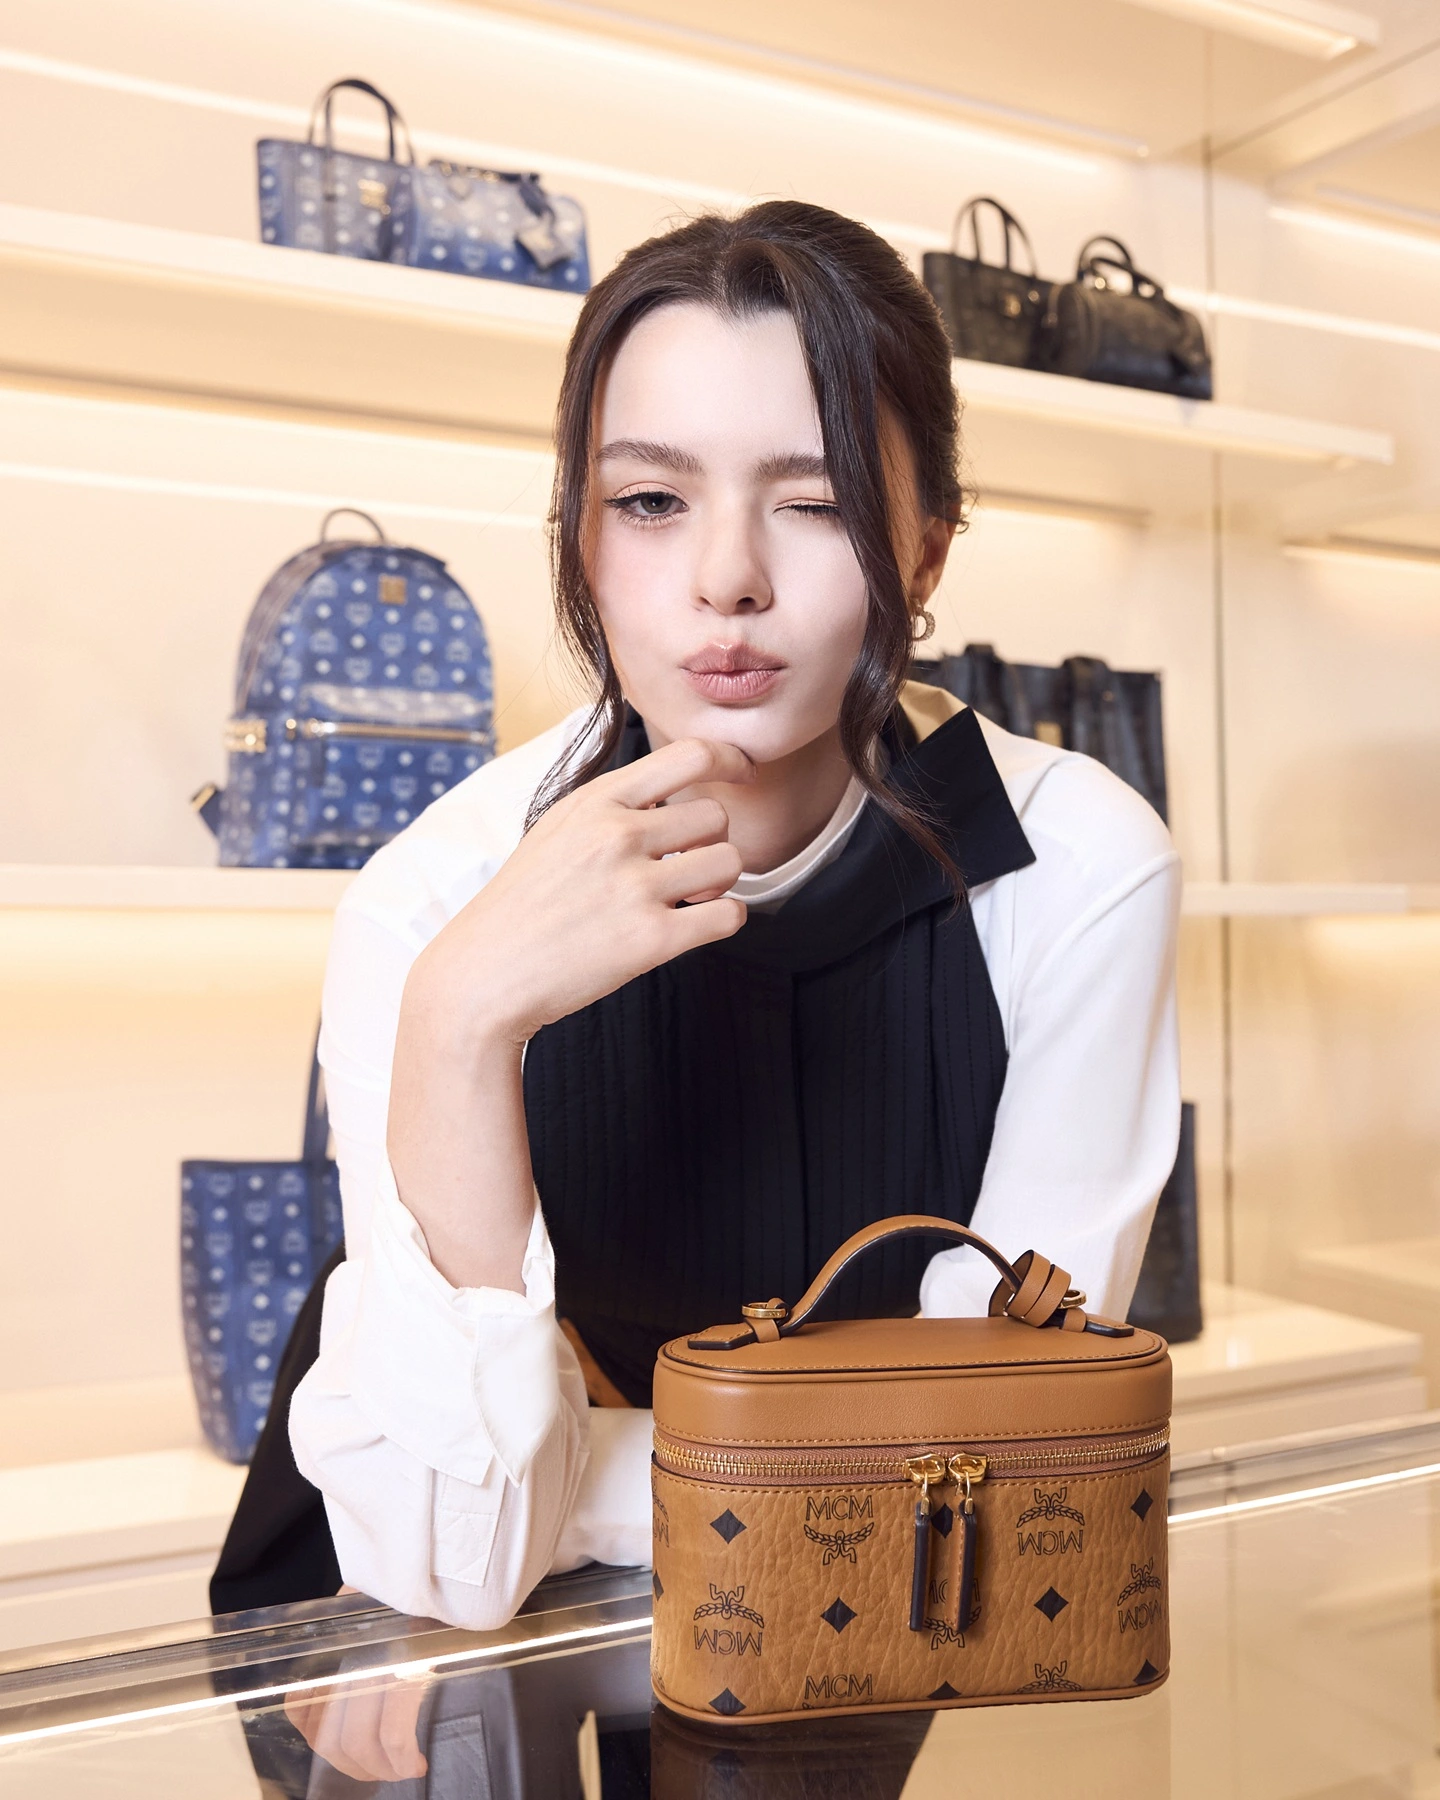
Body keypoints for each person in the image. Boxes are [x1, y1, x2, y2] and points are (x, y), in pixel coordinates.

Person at [266, 199, 1180, 1636]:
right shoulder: (433, 898)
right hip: (457, 1669)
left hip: (901, 1637)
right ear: (579, 540)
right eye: (651, 501)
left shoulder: (1075, 866)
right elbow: (447, 1560)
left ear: (925, 552)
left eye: (813, 502)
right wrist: (457, 1023)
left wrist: (580, 1460)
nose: (726, 578)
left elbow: (1003, 1460)